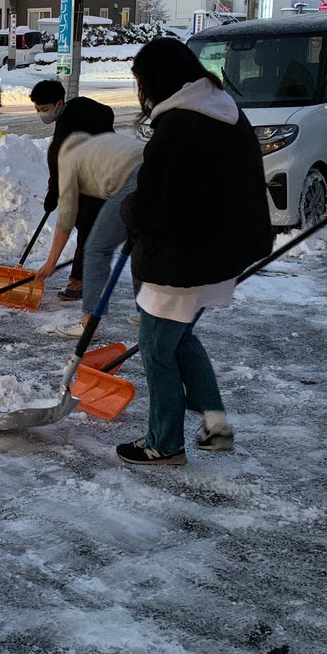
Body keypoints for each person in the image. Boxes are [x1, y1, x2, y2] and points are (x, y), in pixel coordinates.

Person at [116, 38, 272, 466]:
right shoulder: (224, 112)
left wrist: (130, 210)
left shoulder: (180, 127)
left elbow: (155, 204)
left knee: (156, 349)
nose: (142, 93)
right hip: (221, 253)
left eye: (142, 83)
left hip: (183, 259)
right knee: (179, 337)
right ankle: (216, 422)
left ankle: (163, 443)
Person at [34, 131, 144, 339]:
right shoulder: (96, 146)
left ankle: (88, 324)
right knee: (141, 244)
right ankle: (148, 312)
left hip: (132, 181)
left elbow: (66, 219)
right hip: (159, 170)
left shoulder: (68, 161)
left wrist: (51, 263)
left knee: (96, 249)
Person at [30, 79, 115, 301]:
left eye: (45, 109)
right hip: (99, 168)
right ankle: (93, 273)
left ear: (59, 103)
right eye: (38, 109)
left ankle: (80, 281)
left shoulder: (68, 127)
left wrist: (53, 194)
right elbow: (108, 112)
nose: (42, 114)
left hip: (99, 177)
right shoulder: (79, 105)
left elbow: (58, 163)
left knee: (86, 224)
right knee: (89, 227)